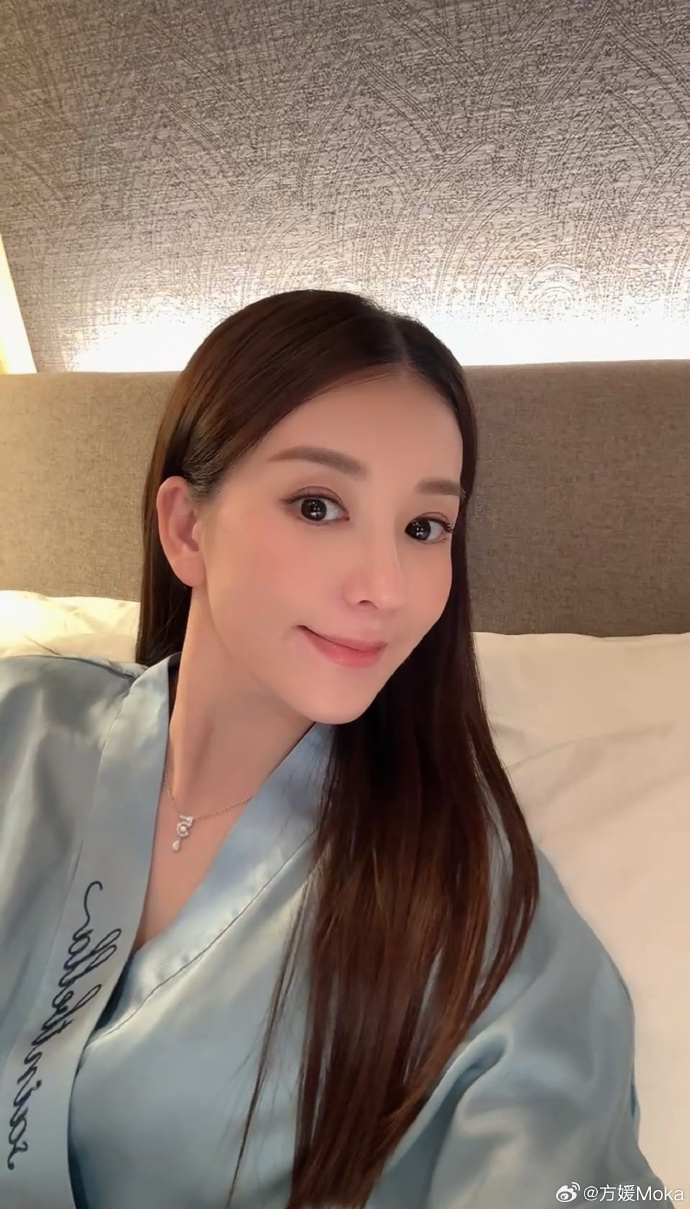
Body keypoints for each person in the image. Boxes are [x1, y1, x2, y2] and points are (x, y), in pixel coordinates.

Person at [0, 289, 664, 1209]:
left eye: (424, 527)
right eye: (318, 505)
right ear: (187, 528)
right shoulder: (22, 726)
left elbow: (574, 1173)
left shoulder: (469, 895)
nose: (385, 586)